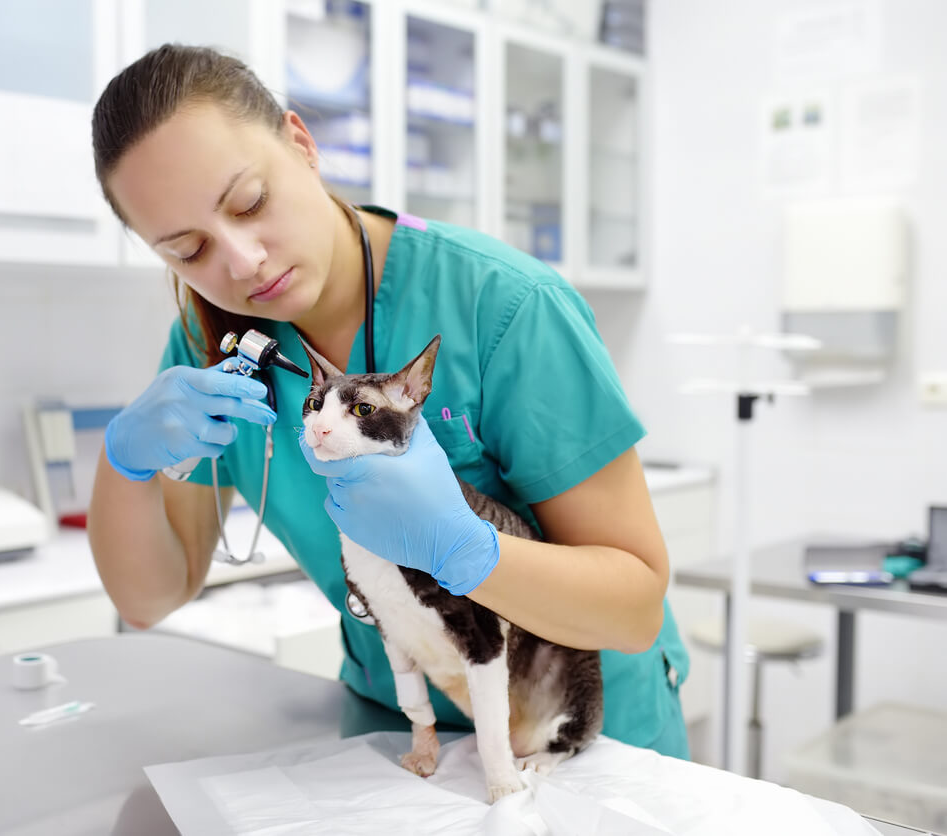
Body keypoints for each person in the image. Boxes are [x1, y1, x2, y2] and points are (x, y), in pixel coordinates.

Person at [87, 43, 690, 758]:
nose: (242, 261)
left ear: (301, 143)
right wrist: (123, 463)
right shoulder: (211, 342)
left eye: (251, 202)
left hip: (582, 739)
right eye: (188, 250)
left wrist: (470, 553)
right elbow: (150, 598)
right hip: (404, 739)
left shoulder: (502, 308)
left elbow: (633, 609)